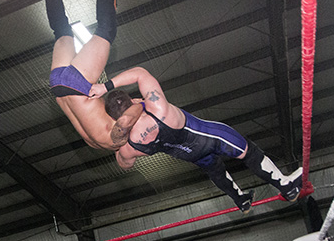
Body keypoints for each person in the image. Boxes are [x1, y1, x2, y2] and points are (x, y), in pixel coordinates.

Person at [93, 67, 303, 213]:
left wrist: (119, 137)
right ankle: (285, 186)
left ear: (114, 118)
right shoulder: (157, 107)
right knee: (249, 152)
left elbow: (125, 165)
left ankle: (241, 200)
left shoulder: (129, 147)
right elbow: (140, 73)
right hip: (209, 137)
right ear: (132, 100)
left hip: (191, 155)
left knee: (215, 170)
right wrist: (105, 87)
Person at [41, 0, 143, 151]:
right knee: (61, 31)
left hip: (77, 86)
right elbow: (125, 161)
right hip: (58, 87)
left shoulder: (115, 141)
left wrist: (141, 105)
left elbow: (124, 123)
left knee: (106, 30)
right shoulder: (96, 144)